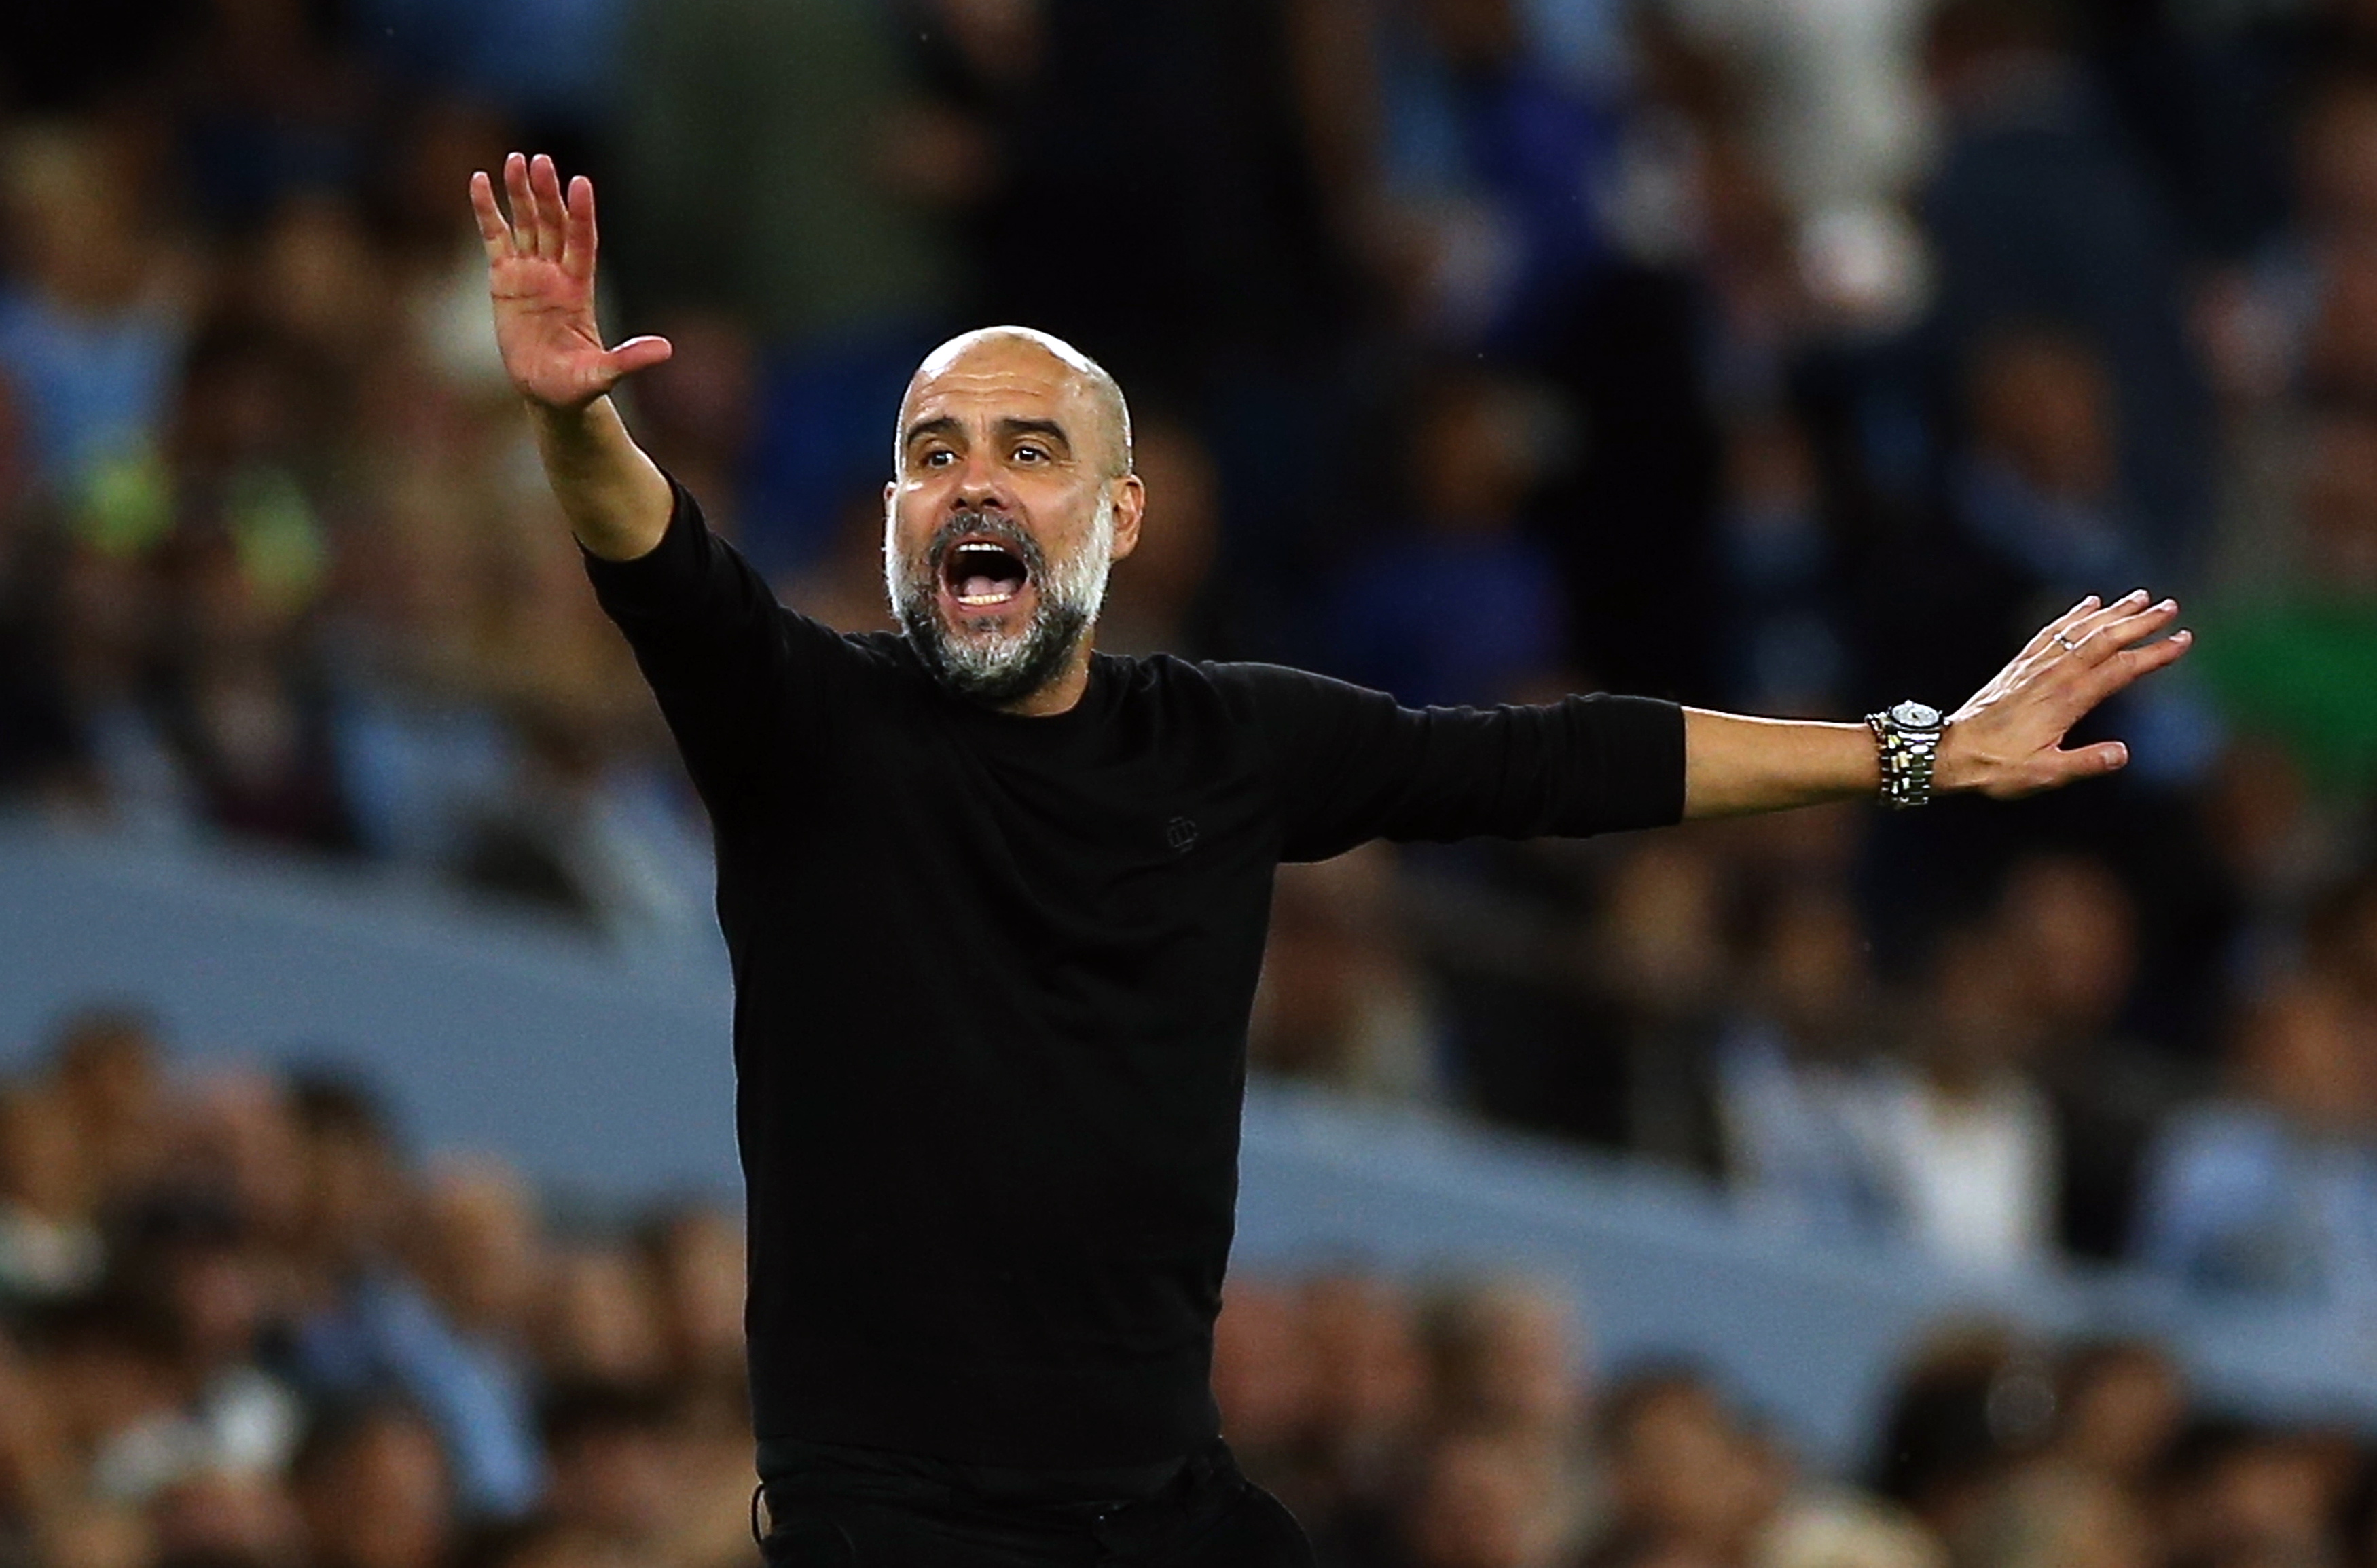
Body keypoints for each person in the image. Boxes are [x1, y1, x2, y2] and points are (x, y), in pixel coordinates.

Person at [467, 151, 2194, 1567]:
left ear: (1119, 517)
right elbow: (666, 571)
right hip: (892, 1519)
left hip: (1163, 1505)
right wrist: (570, 419)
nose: (972, 481)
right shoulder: (807, 727)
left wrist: (1917, 748)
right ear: (900, 518)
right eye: (934, 455)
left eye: (1026, 449)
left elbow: (1559, 761)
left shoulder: (1228, 739)